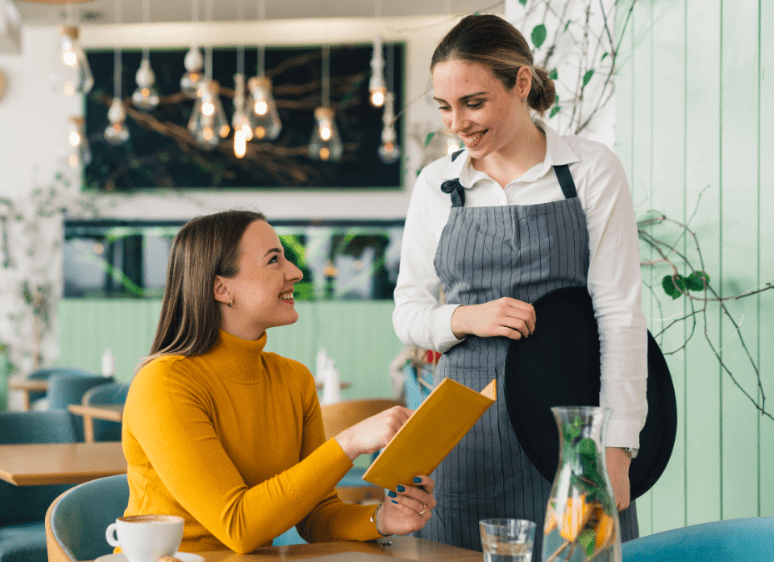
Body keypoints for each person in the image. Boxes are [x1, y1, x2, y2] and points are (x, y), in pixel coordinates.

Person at [392, 14, 647, 556]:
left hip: (570, 437)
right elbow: (408, 310)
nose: (456, 123)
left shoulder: (590, 170)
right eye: (444, 106)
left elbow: (620, 314)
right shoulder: (437, 184)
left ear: (522, 83)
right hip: (464, 439)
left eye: (474, 102)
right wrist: (463, 318)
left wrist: (618, 446)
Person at [123, 210, 436, 554]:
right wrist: (350, 442)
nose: (296, 272)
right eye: (274, 260)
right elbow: (239, 527)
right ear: (222, 288)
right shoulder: (163, 384)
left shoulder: (293, 379)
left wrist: (381, 519)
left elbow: (316, 514)